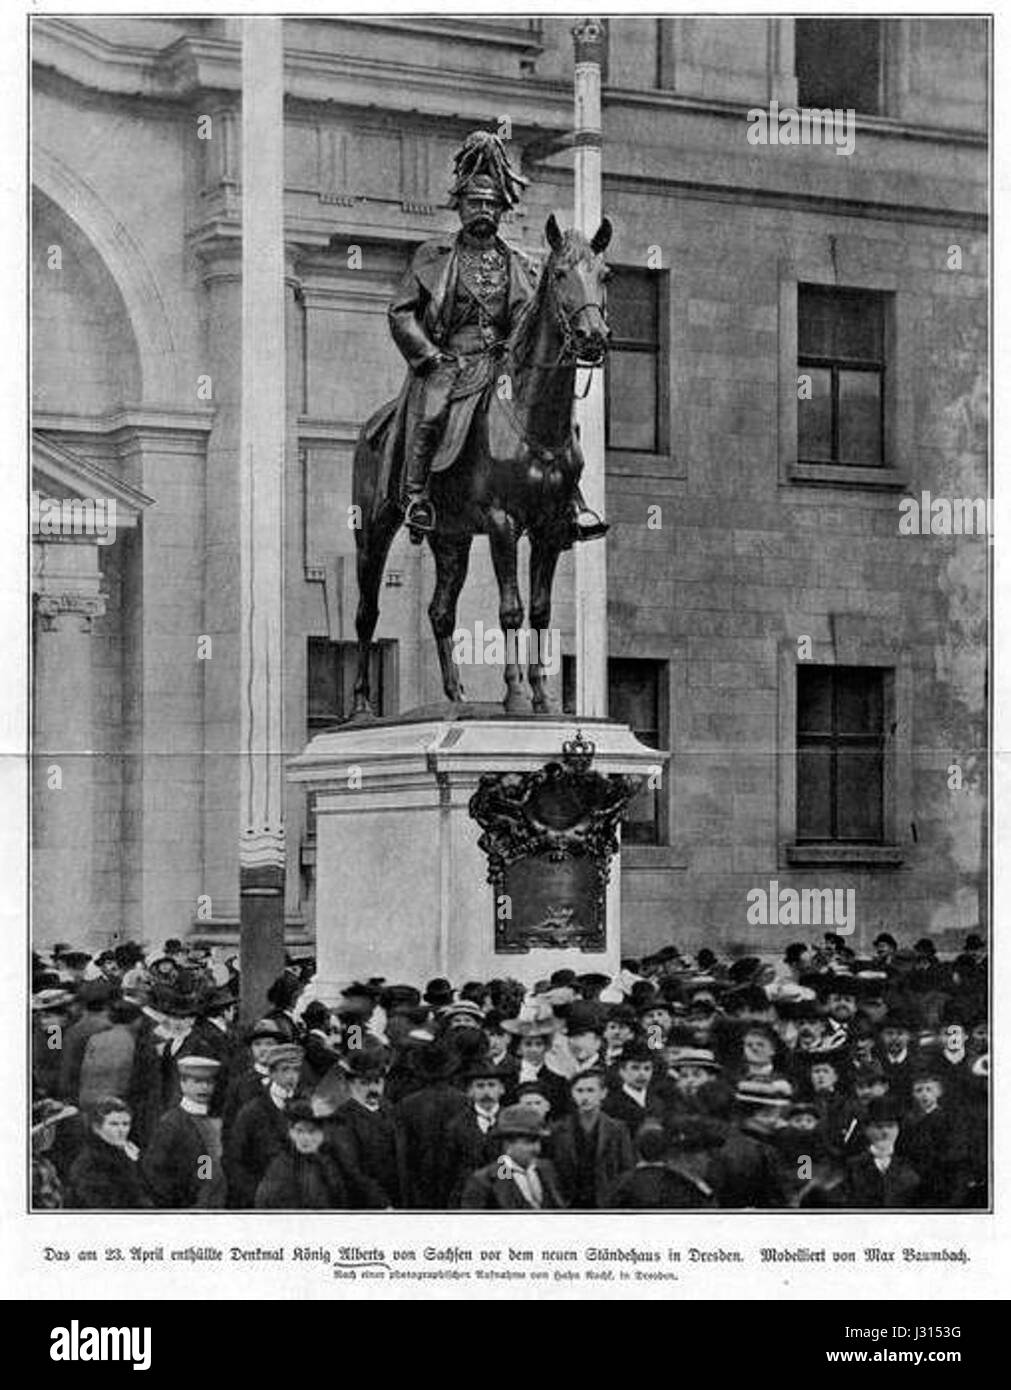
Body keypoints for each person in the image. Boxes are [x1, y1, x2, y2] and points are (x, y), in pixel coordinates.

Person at [381, 129, 606, 543]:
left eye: (491, 204)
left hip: (502, 362)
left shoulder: (520, 263)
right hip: (448, 361)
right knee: (431, 411)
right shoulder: (433, 256)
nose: (483, 210)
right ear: (460, 206)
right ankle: (416, 496)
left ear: (502, 210)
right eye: (474, 203)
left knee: (554, 414)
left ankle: (570, 498)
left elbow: (531, 320)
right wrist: (429, 356)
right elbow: (401, 312)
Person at [226, 1043, 304, 1208]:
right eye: (285, 1070)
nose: (291, 1076)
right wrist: (255, 1194)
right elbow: (233, 1159)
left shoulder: (307, 1108)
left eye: (296, 1070)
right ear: (271, 1072)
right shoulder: (252, 1112)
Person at [142, 1055, 227, 1208]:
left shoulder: (213, 1122)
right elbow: (154, 1171)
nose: (204, 1088)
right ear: (183, 1084)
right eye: (197, 1082)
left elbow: (207, 1167)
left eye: (209, 1082)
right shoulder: (171, 1123)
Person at [327, 1049, 404, 1209]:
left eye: (377, 1082)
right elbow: (352, 1170)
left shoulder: (389, 1109)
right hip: (365, 1204)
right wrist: (382, 1204)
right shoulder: (342, 1118)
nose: (373, 1089)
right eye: (364, 1083)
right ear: (350, 1084)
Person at [395, 1042, 469, 1208]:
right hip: (457, 1180)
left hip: (420, 1181)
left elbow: (402, 1153)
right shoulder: (464, 1101)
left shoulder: (407, 1104)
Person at [547, 1069, 633, 1208]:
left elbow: (626, 1169)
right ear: (572, 1093)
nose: (585, 1097)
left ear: (603, 1093)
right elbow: (551, 1169)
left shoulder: (618, 1129)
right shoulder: (558, 1129)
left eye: (590, 1090)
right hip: (568, 1203)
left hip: (606, 1203)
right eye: (579, 1091)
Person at [459, 1105, 566, 1210]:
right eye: (528, 1142)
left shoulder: (547, 1170)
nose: (536, 1148)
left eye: (538, 1141)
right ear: (508, 1144)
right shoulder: (484, 1181)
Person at [255, 1099, 350, 1209]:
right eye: (299, 1131)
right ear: (291, 1133)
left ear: (323, 1134)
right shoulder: (281, 1166)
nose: (305, 1138)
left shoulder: (331, 1164)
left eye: (312, 1131)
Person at [65, 1096, 152, 1208]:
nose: (121, 1130)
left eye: (125, 1124)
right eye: (113, 1124)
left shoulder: (128, 1154)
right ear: (97, 1128)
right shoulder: (91, 1163)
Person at [444, 1061, 509, 1206]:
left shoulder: (512, 1121)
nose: (486, 1092)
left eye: (492, 1085)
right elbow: (450, 1171)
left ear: (502, 1089)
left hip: (505, 1199)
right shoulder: (456, 1126)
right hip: (469, 1200)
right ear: (470, 1091)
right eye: (480, 1086)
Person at [842, 1097, 920, 1208]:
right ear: (867, 1130)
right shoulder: (852, 1166)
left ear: (898, 1130)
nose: (885, 1132)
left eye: (890, 1126)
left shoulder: (910, 1165)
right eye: (879, 1127)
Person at [602, 1040, 664, 1134]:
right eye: (635, 1068)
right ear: (622, 1071)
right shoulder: (611, 1104)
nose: (642, 1074)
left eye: (647, 1068)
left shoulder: (658, 1102)